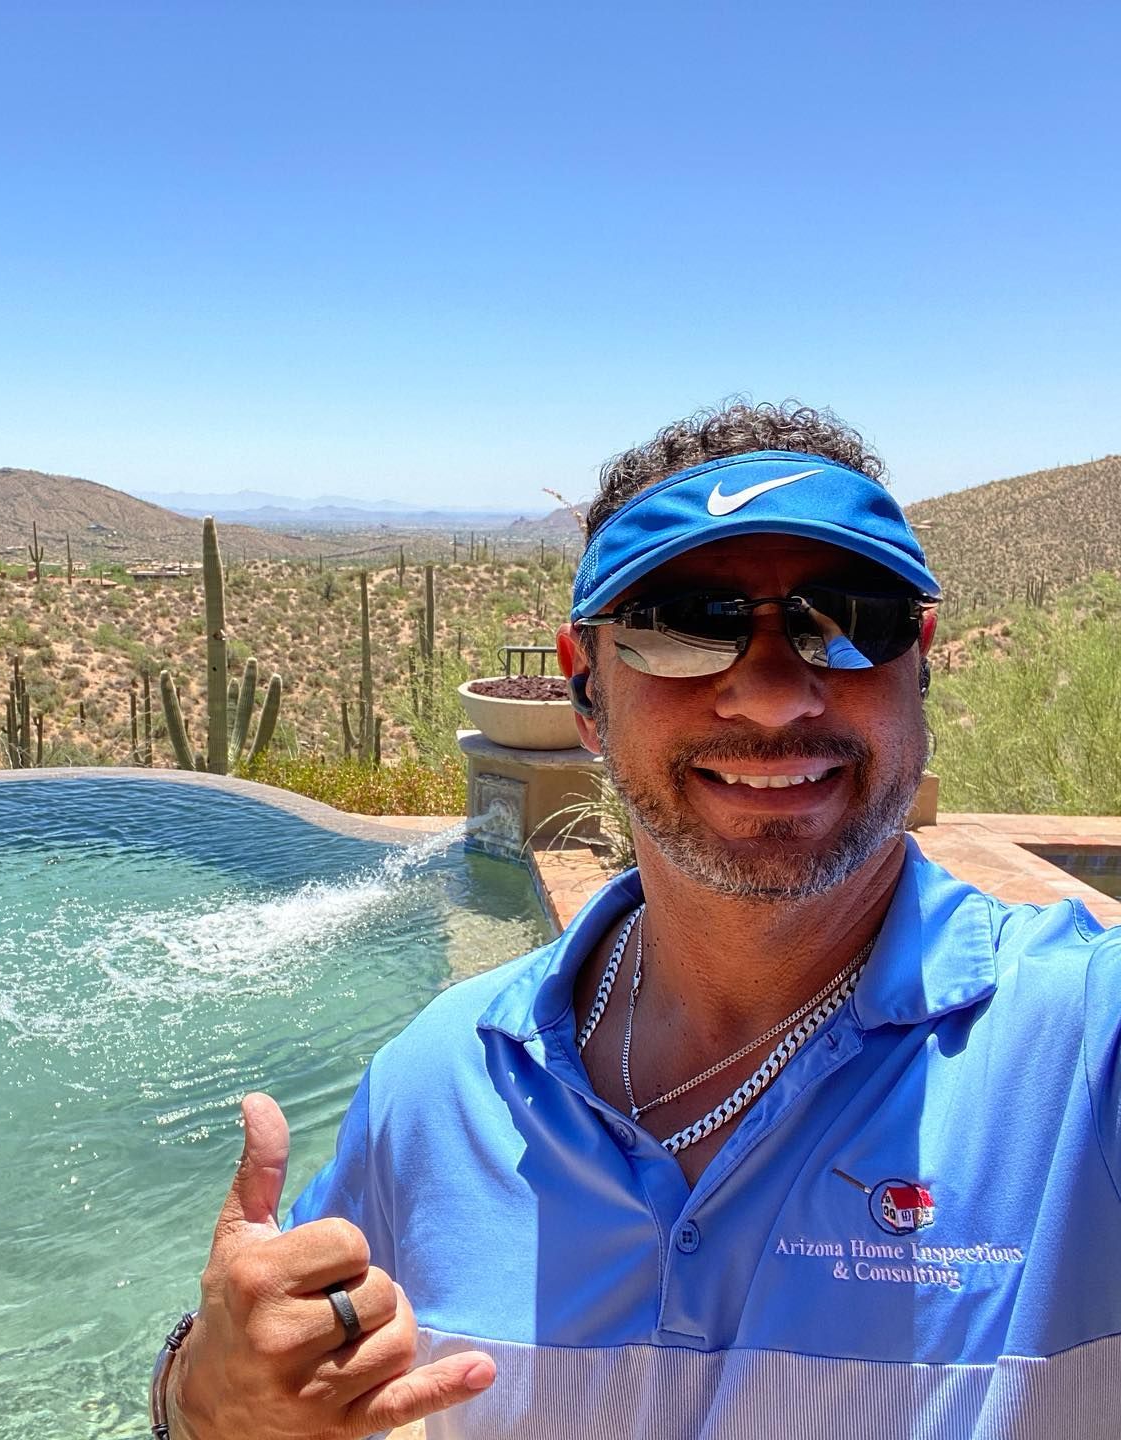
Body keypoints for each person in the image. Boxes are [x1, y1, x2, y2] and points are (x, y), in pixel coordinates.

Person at [151, 402, 1121, 1440]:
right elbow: (269, 1358)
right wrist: (199, 1399)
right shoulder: (442, 1083)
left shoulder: (1078, 1046)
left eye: (848, 619)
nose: (772, 696)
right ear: (584, 686)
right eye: (682, 626)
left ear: (918, 661)